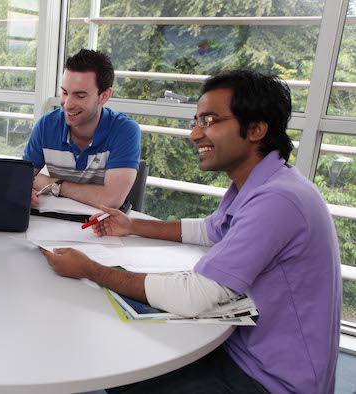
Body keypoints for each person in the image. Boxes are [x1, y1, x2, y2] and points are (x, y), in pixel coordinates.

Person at [40, 70, 341, 393]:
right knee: (129, 356)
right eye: (196, 122)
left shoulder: (278, 200)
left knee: (124, 369)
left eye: (209, 121)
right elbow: (212, 229)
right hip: (241, 347)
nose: (195, 135)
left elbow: (195, 296)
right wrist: (133, 225)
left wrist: (90, 269)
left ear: (256, 129)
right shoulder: (264, 183)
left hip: (270, 380)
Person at [24, 49, 141, 210]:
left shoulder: (125, 130)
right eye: (64, 92)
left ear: (104, 96)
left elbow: (112, 200)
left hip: (102, 229)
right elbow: (21, 180)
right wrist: (23, 190)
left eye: (80, 96)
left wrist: (54, 185)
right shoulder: (47, 125)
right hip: (52, 223)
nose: (68, 103)